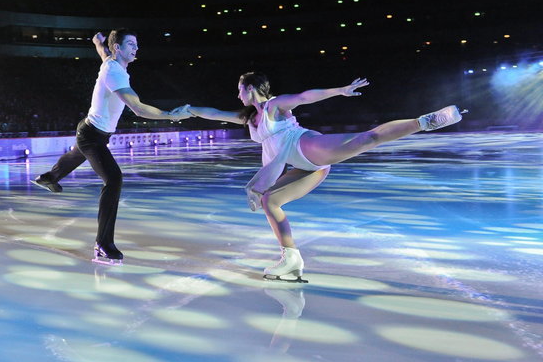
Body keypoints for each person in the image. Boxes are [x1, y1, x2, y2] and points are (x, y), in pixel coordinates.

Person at [187, 72, 464, 282]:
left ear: (250, 88)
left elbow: (305, 97)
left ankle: (425, 121)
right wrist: (188, 110)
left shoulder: (274, 105)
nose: (237, 96)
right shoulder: (251, 117)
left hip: (306, 147)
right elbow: (214, 113)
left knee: (364, 139)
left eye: (239, 90)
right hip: (301, 166)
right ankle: (291, 259)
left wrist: (340, 90)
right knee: (270, 201)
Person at [32, 29, 191, 265]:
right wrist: (170, 115)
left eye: (137, 44)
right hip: (91, 135)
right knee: (113, 179)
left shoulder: (111, 62)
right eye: (130, 44)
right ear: (118, 48)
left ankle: (49, 177)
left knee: (76, 155)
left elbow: (103, 52)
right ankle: (103, 243)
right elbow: (137, 108)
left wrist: (98, 43)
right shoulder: (114, 71)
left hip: (93, 131)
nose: (136, 48)